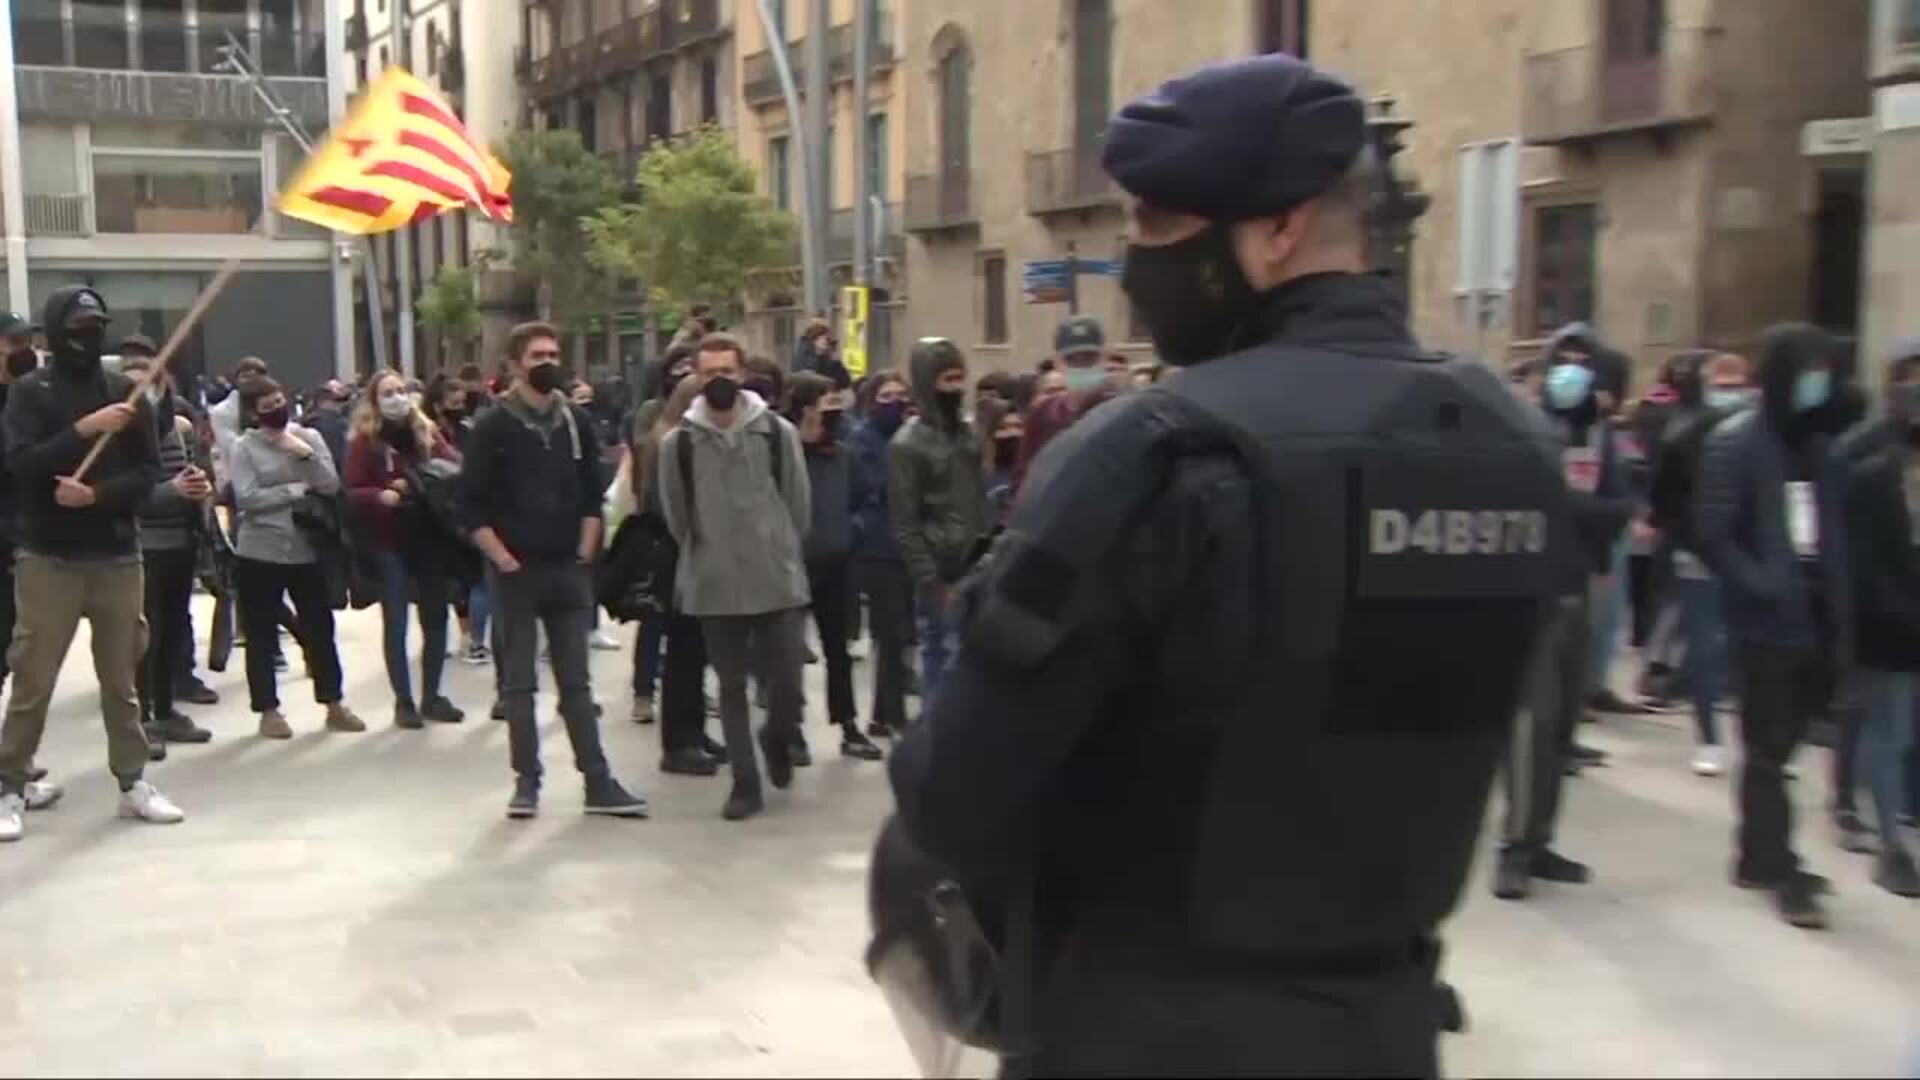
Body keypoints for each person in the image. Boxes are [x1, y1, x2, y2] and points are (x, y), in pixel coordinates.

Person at [880, 54, 1565, 1076]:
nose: (1135, 255)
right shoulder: (1512, 446)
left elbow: (951, 785)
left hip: (1144, 1028)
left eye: (1159, 225)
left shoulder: (1155, 454)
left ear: (1279, 228)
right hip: (1380, 1024)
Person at [0, 286, 186, 841]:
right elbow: (22, 465)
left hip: (116, 557)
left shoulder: (128, 395)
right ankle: (9, 785)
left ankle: (133, 782)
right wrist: (85, 431)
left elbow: (149, 475)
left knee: (121, 679)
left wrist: (97, 497)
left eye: (96, 324)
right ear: (57, 330)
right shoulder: (30, 393)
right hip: (48, 558)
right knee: (33, 678)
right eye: (78, 326)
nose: (88, 335)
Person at [1696, 322, 1853, 929]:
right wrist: (1761, 583)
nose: (1819, 379)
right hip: (1764, 622)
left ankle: (1755, 854)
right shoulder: (1734, 441)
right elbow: (1712, 533)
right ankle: (1778, 864)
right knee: (1766, 749)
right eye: (1808, 366)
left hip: (1814, 612)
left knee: (1785, 744)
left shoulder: (1816, 444)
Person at [463, 322, 647, 820]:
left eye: (553, 353)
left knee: (578, 686)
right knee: (519, 685)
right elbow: (470, 505)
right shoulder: (493, 426)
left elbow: (595, 491)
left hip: (568, 568)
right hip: (515, 572)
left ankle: (598, 782)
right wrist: (501, 557)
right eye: (538, 354)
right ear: (515, 364)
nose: (548, 362)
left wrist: (588, 548)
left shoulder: (575, 422)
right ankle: (527, 782)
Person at [1491, 348, 1632, 901]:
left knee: (1561, 730)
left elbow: (1621, 501)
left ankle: (1541, 840)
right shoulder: (1521, 433)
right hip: (1530, 599)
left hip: (1579, 592)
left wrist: (1593, 518)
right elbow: (1545, 505)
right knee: (1530, 724)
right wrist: (1591, 512)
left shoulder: (1601, 438)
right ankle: (1514, 848)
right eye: (1563, 362)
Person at [657, 333, 813, 822]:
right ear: (697, 379)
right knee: (729, 686)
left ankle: (778, 735)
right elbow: (677, 515)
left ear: (742, 373)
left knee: (787, 681)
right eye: (709, 373)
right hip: (715, 579)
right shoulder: (678, 443)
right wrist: (707, 551)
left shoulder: (775, 432)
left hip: (777, 576)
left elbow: (798, 503)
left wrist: (779, 544)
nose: (719, 380)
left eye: (727, 370)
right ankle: (745, 782)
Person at [1832, 338, 1920, 897]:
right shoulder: (1864, 457)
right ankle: (1887, 839)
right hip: (1886, 620)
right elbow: (1855, 553)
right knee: (1884, 724)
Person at [229, 377, 364, 740]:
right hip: (260, 549)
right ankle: (269, 710)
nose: (276, 409)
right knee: (260, 633)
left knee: (320, 628)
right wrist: (293, 489)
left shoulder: (309, 437)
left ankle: (333, 702)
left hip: (307, 547)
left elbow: (330, 484)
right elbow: (246, 497)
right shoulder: (245, 447)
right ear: (253, 413)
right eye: (266, 406)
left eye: (278, 400)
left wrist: (303, 454)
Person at [1649, 351, 1755, 776]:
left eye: (1736, 387)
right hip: (1700, 555)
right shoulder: (1687, 437)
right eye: (1722, 387)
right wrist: (1687, 537)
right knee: (1705, 648)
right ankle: (1710, 737)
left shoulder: (1762, 437)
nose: (1729, 395)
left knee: (1743, 648)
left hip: (1745, 557)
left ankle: (1754, 739)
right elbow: (1664, 497)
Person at [344, 372, 466, 729]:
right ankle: (404, 701)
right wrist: (379, 495)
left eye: (401, 391)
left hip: (428, 535)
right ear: (374, 399)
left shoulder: (425, 430)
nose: (397, 398)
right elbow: (351, 489)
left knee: (436, 618)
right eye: (388, 392)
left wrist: (429, 480)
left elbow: (453, 465)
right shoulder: (364, 441)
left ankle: (433, 696)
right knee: (395, 620)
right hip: (388, 540)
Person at [121, 347, 215, 759]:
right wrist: (171, 491)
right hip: (143, 546)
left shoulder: (178, 429)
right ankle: (142, 720)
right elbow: (123, 496)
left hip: (181, 541)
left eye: (153, 382)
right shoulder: (120, 437)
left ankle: (164, 708)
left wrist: (199, 490)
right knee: (146, 637)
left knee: (174, 630)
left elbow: (191, 475)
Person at [630, 374, 726, 775]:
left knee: (693, 651)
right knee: (684, 651)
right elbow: (664, 503)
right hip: (677, 553)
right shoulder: (670, 443)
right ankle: (679, 741)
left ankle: (692, 732)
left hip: (686, 551)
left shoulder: (670, 437)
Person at [788, 371, 886, 763]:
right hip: (791, 568)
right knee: (786, 656)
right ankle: (790, 731)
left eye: (832, 404)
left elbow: (867, 500)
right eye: (820, 404)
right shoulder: (783, 455)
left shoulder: (843, 456)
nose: (829, 412)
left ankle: (848, 725)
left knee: (838, 650)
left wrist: (852, 530)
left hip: (837, 565)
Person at [887, 339, 987, 709]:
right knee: (944, 656)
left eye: (960, 379)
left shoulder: (968, 435)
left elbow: (979, 499)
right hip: (942, 569)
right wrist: (931, 579)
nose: (956, 389)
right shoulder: (907, 445)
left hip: (978, 561)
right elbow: (905, 521)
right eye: (948, 379)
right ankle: (937, 743)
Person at [850, 371, 915, 739]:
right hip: (879, 548)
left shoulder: (911, 435)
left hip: (909, 545)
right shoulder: (863, 439)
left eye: (901, 395)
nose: (895, 402)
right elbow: (874, 487)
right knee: (889, 632)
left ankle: (883, 712)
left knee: (903, 634)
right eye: (887, 395)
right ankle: (891, 713)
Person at [1011, 316, 1123, 501]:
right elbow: (1022, 480)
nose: (1081, 367)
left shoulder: (1122, 413)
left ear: (1103, 359)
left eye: (1089, 358)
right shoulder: (1043, 414)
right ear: (1057, 363)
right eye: (1072, 360)